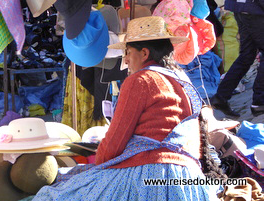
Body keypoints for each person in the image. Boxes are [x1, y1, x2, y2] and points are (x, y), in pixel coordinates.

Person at [33, 16, 225, 201]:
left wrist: (97, 170)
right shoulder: (182, 79)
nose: (125, 60)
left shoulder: (141, 80)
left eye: (128, 52)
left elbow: (114, 143)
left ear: (144, 53)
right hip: (189, 180)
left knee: (55, 195)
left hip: (151, 174)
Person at [210, 0, 264, 117]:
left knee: (247, 55)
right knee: (247, 55)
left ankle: (221, 97)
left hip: (241, 7)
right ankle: (259, 101)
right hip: (254, 8)